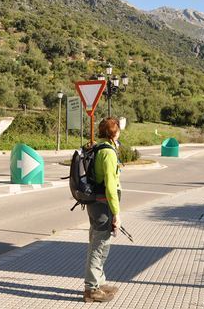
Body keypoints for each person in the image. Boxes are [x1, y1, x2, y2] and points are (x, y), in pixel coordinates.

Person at [83, 117, 122, 303]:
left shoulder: (100, 148)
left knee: (99, 242)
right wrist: (116, 213)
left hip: (96, 204)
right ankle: (91, 289)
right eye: (119, 130)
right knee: (99, 246)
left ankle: (99, 282)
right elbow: (111, 185)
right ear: (114, 132)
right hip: (103, 205)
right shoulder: (108, 153)